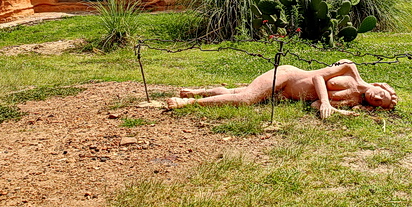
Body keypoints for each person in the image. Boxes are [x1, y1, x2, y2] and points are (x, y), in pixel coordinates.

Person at [165, 59, 397, 119]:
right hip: (288, 76)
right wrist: (326, 103)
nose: (376, 97)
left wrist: (337, 110)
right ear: (380, 86)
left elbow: (316, 104)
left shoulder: (354, 100)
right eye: (382, 95)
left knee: (239, 93)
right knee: (246, 99)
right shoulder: (349, 69)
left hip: (287, 94)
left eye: (378, 103)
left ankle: (198, 92)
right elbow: (317, 77)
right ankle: (189, 103)